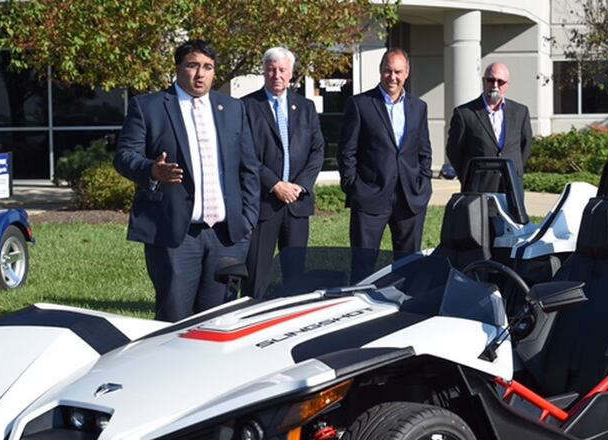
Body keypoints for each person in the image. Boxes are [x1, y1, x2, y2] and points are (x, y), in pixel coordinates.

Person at [114, 40, 260, 321]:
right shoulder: (148, 107)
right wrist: (152, 171)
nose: (200, 74)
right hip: (174, 234)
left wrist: (248, 219)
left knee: (219, 320)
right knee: (175, 319)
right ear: (178, 68)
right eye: (193, 65)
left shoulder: (232, 108)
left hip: (226, 236)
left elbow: (248, 167)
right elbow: (124, 156)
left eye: (208, 67)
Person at [337, 48, 432, 272]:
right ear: (381, 71)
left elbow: (424, 150)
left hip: (409, 198)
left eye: (398, 72)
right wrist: (354, 187)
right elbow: (346, 151)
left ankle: (404, 305)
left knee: (409, 265)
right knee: (363, 267)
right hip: (370, 197)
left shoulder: (418, 107)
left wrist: (424, 183)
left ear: (406, 73)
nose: (392, 77)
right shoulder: (360, 104)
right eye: (388, 71)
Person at [241, 47, 325, 297]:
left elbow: (317, 150)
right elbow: (244, 154)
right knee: (257, 274)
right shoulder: (247, 106)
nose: (277, 74)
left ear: (291, 73)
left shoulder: (305, 106)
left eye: (282, 70)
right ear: (264, 71)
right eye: (271, 69)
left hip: (297, 204)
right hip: (263, 203)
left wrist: (300, 185)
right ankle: (251, 315)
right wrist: (275, 184)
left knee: (295, 275)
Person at [446, 62, 532, 191]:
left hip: (512, 186)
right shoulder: (465, 113)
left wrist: (516, 169)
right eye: (491, 80)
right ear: (483, 81)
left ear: (507, 84)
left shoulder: (520, 112)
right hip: (479, 186)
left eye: (500, 82)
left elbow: (525, 146)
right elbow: (454, 151)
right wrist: (468, 177)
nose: (495, 86)